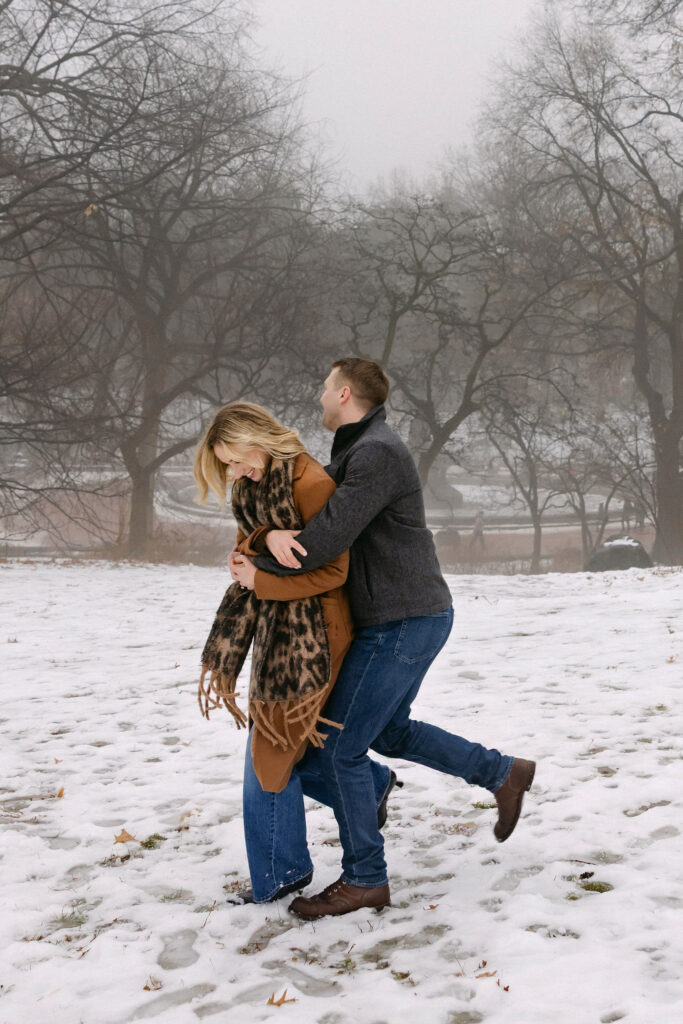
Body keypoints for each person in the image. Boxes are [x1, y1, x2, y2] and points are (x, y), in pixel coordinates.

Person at [232, 359, 535, 920]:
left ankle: (366, 879)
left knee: (341, 747)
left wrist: (255, 558)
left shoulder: (374, 454)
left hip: (404, 618)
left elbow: (321, 542)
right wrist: (267, 531)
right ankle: (502, 772)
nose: (320, 396)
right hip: (403, 616)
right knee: (390, 731)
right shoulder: (356, 452)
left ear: (345, 393)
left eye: (325, 387)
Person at [193, 401, 396, 904]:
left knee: (270, 749)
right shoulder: (255, 487)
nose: (234, 472)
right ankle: (369, 785)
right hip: (275, 630)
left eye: (236, 459)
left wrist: (259, 577)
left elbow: (332, 572)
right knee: (287, 748)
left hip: (315, 635)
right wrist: (260, 544)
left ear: (258, 439)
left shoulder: (310, 484)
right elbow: (251, 546)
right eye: (227, 465)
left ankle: (281, 872)